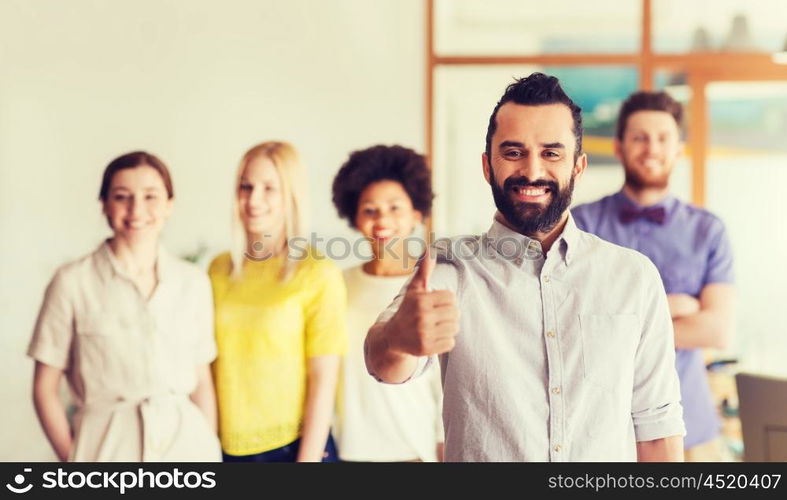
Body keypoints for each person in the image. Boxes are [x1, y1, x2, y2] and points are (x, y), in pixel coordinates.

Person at [364, 73, 686, 462]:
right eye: (513, 152)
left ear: (578, 167)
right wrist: (399, 337)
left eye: (551, 153)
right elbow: (383, 364)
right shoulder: (448, 268)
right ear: (488, 166)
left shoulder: (634, 277)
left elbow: (655, 429)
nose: (532, 171)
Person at [572, 91, 736, 461]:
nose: (651, 148)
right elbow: (575, 326)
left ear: (679, 148)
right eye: (639, 137)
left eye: (663, 138)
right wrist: (675, 307)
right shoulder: (580, 225)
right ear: (618, 147)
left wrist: (619, 324)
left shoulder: (708, 230)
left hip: (692, 428)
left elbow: (717, 330)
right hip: (600, 430)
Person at [28, 151, 221, 462]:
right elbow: (44, 388)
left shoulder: (193, 282)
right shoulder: (72, 282)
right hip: (105, 447)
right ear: (104, 203)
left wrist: (209, 450)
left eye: (150, 197)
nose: (136, 210)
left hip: (186, 448)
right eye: (122, 197)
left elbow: (202, 382)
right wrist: (74, 459)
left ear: (169, 204)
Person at [209, 141, 347, 462]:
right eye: (246, 187)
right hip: (226, 448)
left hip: (295, 448)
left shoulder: (317, 273)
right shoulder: (218, 269)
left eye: (269, 188)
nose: (254, 200)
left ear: (291, 195)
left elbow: (323, 380)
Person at [331, 145, 444, 462]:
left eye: (395, 208)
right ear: (355, 217)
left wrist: (442, 444)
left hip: (414, 451)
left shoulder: (431, 283)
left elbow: (446, 380)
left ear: (416, 215)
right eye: (370, 210)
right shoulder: (336, 284)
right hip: (347, 452)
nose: (382, 220)